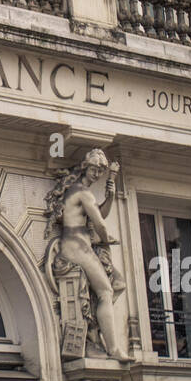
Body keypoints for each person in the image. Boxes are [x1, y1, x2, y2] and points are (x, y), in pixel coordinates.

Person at [46, 149, 128, 360]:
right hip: (77, 247)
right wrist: (106, 237)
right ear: (85, 167)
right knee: (106, 292)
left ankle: (95, 328)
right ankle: (113, 349)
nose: (96, 174)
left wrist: (110, 192)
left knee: (114, 286)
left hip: (78, 246)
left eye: (100, 171)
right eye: (94, 169)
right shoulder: (82, 191)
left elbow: (99, 213)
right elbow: (99, 222)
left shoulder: (78, 191)